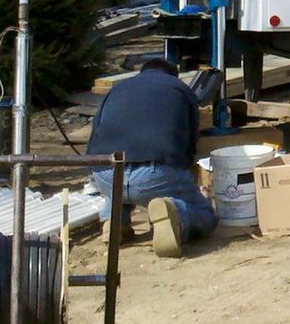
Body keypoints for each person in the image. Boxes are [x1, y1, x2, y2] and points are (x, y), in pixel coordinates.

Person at [86, 57, 216, 257]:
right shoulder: (180, 90)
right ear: (172, 74)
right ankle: (175, 213)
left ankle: (115, 219)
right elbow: (190, 143)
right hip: (154, 173)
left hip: (106, 173)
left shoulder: (117, 89)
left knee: (119, 174)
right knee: (205, 215)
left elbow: (94, 136)